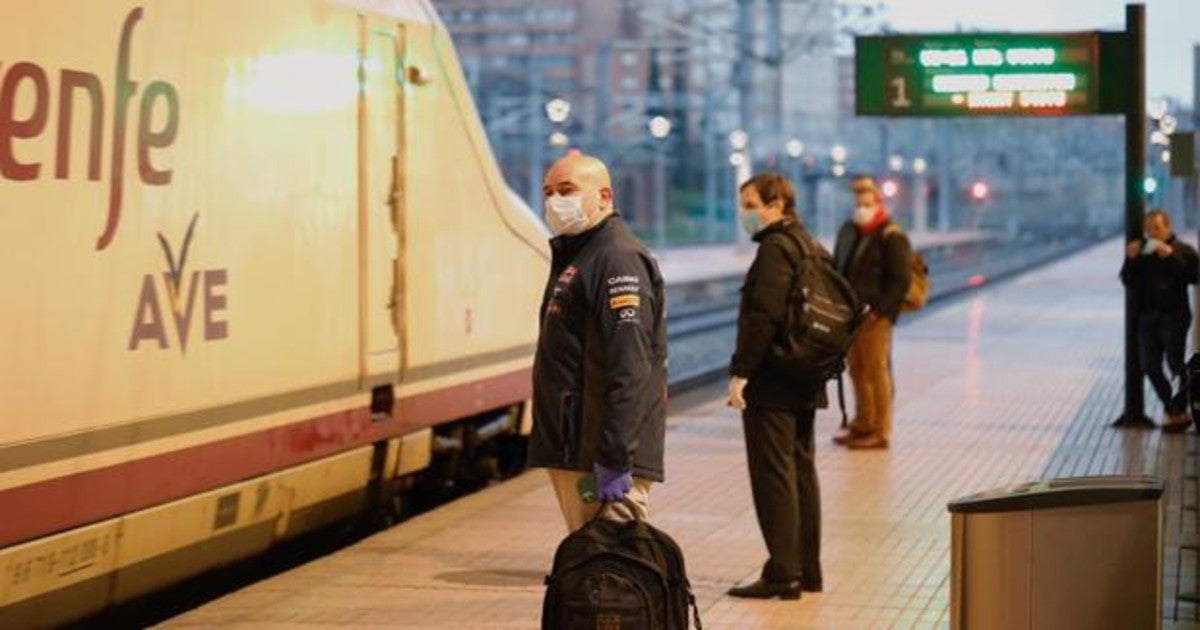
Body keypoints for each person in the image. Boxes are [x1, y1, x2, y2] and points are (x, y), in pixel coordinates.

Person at [527, 152, 668, 532]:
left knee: (609, 569)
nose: (555, 201)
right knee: (591, 562)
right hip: (578, 447)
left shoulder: (616, 259)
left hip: (600, 453)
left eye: (567, 190)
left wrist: (615, 460)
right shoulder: (585, 254)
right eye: (549, 192)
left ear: (604, 197)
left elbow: (632, 366)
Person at [726, 172, 825, 600]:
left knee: (774, 477)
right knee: (801, 472)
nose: (744, 212)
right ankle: (808, 570)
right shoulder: (809, 243)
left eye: (750, 204)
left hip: (774, 380)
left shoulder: (774, 249)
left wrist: (741, 372)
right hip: (806, 375)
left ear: (777, 205)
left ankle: (783, 573)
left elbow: (763, 316)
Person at [831, 176, 911, 450]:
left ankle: (881, 430)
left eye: (866, 195)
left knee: (876, 371)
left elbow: (900, 280)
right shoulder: (851, 231)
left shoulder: (891, 235)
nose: (861, 201)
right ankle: (863, 423)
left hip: (876, 317)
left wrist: (881, 312)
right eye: (857, 196)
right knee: (857, 370)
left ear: (878, 199)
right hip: (851, 315)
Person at [1120, 209, 1199, 431]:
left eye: (1155, 228)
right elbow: (1128, 280)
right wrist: (1131, 259)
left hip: (1174, 315)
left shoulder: (1183, 250)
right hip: (1148, 317)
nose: (1151, 234)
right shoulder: (1144, 253)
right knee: (1150, 366)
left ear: (1168, 227)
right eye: (1148, 229)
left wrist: (1171, 256)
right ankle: (1173, 408)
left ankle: (1180, 408)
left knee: (1175, 363)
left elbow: (1194, 276)